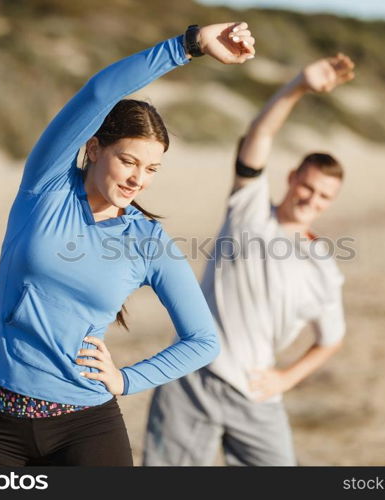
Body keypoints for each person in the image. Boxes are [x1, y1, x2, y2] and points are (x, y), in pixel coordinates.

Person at [0, 22, 258, 466]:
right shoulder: (47, 188)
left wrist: (126, 380)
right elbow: (99, 94)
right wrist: (188, 45)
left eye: (152, 169)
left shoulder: (146, 241)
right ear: (95, 148)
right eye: (129, 160)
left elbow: (202, 341)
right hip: (0, 423)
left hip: (86, 427)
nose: (139, 179)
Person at [143, 54, 355, 466]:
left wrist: (284, 378)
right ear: (293, 177)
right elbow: (258, 136)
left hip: (256, 391)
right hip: (190, 378)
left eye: (324, 196)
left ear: (332, 202)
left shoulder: (324, 269)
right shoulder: (249, 208)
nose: (311, 199)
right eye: (308, 186)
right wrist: (299, 86)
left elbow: (331, 339)